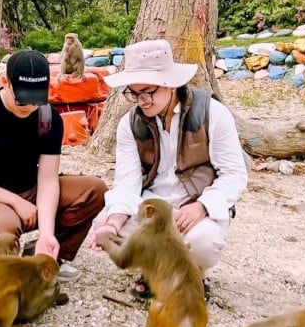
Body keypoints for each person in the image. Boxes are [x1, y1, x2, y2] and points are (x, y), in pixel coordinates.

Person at [88, 39, 248, 300]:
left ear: (170, 85)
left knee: (203, 242)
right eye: (134, 93)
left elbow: (234, 174)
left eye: (148, 92)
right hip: (152, 206)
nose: (142, 101)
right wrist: (113, 224)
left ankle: (194, 275)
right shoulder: (130, 124)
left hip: (195, 204)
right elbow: (127, 182)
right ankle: (155, 270)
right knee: (104, 223)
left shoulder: (213, 113)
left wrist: (203, 206)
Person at [0, 49, 107, 280]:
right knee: (4, 225)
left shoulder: (48, 118)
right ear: (5, 82)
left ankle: (46, 255)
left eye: (35, 98)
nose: (29, 106)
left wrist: (46, 233)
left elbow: (48, 179)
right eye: (22, 97)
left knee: (95, 190)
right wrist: (15, 201)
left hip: (30, 190)